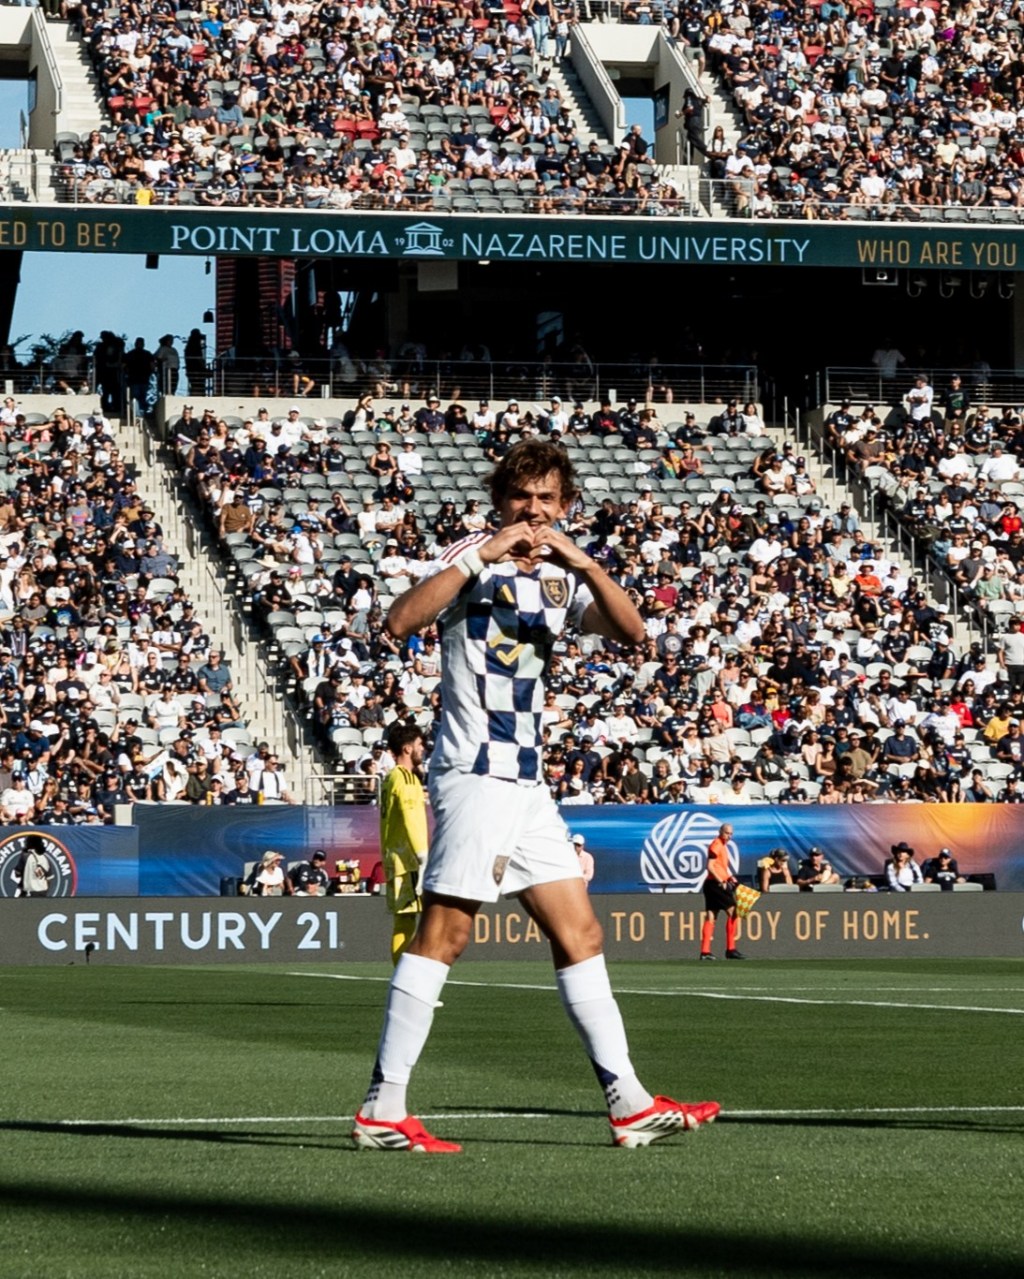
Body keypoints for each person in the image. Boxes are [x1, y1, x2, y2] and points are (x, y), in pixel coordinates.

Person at [353, 439, 719, 1153]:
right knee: (446, 934)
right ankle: (383, 1104)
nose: (533, 511)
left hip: (526, 784)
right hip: (473, 773)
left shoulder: (562, 576)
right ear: (500, 502)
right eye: (522, 498)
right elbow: (398, 621)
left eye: (547, 499)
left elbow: (634, 630)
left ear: (566, 506)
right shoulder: (472, 556)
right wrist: (481, 554)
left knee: (581, 933)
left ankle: (629, 1101)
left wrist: (582, 560)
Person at [378, 722, 430, 964]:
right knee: (411, 922)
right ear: (408, 749)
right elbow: (411, 818)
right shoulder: (407, 779)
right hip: (407, 859)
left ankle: (403, 983)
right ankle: (406, 986)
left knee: (404, 921)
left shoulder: (391, 778)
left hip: (393, 857)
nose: (423, 749)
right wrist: (422, 855)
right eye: (420, 744)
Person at [699, 822, 745, 961]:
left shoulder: (723, 846)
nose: (729, 836)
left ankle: (705, 951)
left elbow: (720, 867)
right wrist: (721, 881)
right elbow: (710, 866)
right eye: (727, 833)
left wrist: (730, 877)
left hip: (712, 884)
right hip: (716, 884)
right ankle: (730, 949)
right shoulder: (716, 845)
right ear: (720, 832)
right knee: (734, 912)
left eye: (731, 834)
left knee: (711, 916)